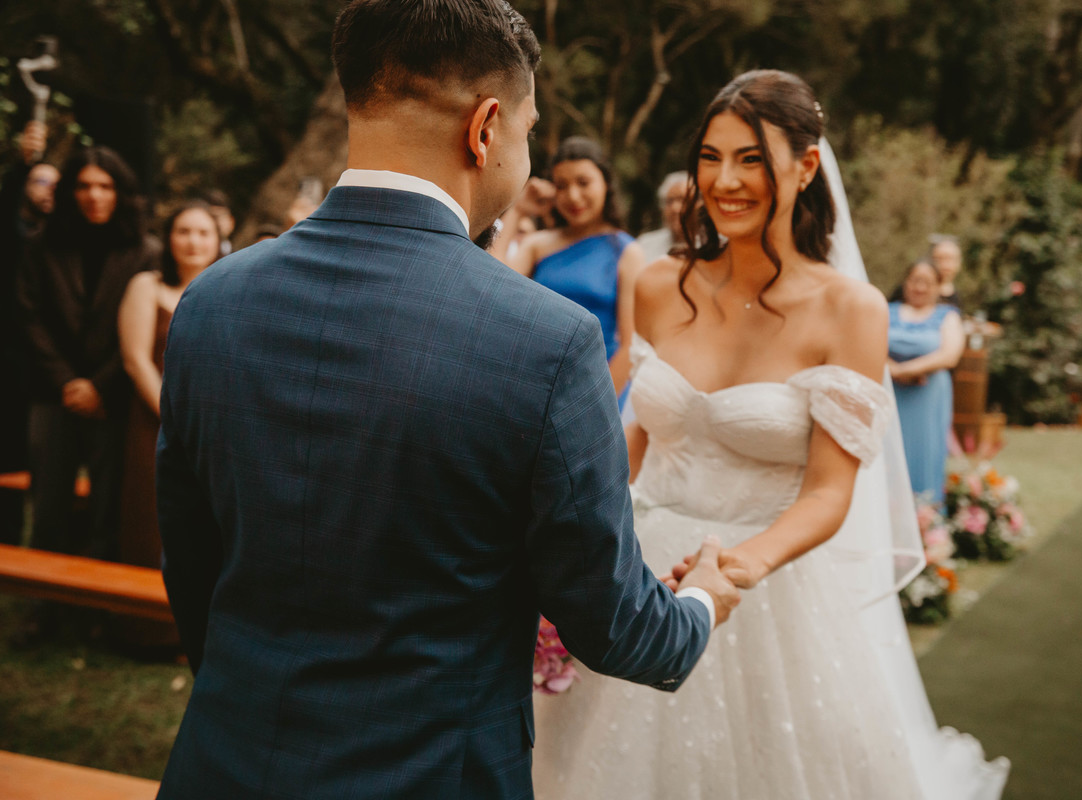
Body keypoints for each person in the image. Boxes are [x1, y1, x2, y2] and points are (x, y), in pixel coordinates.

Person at [153, 2, 739, 798]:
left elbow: (191, 569)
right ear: (486, 127)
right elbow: (614, 624)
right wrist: (702, 599)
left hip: (225, 763)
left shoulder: (212, 303)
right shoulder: (547, 340)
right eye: (529, 131)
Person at [533, 70, 1007, 800]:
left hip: (768, 581)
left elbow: (828, 492)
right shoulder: (659, 284)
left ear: (806, 166)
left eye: (750, 159)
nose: (724, 181)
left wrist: (737, 568)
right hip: (643, 573)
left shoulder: (850, 310)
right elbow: (637, 436)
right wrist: (572, 542)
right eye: (711, 157)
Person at [17, 145, 158, 561]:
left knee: (109, 508)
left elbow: (140, 333)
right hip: (53, 392)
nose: (94, 195)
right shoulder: (42, 245)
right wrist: (67, 382)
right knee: (48, 504)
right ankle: (42, 594)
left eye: (105, 186)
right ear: (69, 192)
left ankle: (99, 596)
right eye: (84, 186)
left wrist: (99, 386)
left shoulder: (145, 251)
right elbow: (28, 316)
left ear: (121, 193)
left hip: (114, 395)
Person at [113, 200, 221, 649]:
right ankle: (147, 632)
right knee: (152, 519)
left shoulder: (229, 288)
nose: (193, 241)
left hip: (214, 429)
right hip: (155, 422)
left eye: (203, 232)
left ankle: (200, 631)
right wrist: (176, 417)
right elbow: (136, 361)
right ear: (169, 238)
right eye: (183, 231)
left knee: (206, 525)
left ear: (218, 240)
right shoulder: (147, 286)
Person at [506, 137, 643, 410]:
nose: (573, 196)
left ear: (606, 183)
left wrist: (595, 406)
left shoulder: (627, 252)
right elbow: (494, 286)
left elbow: (630, 345)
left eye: (583, 182)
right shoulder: (537, 245)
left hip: (597, 390)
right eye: (561, 186)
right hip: (533, 383)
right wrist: (518, 210)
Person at [0, 121, 58, 544]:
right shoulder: (12, 231)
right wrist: (24, 164)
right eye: (39, 181)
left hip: (42, 370)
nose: (47, 190)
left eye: (55, 183)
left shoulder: (63, 242)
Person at [888, 259, 965, 504]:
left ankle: (925, 513)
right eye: (915, 280)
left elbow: (950, 355)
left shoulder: (948, 315)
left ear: (938, 286)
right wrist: (894, 371)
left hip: (928, 394)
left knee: (926, 450)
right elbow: (867, 344)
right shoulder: (886, 310)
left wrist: (906, 370)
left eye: (927, 282)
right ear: (906, 282)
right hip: (889, 392)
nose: (920, 287)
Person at [635, 170, 688, 261]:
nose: (675, 208)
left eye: (682, 200)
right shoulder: (645, 244)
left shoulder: (712, 246)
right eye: (669, 201)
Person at [929, 235, 963, 307]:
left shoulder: (961, 296)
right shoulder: (917, 291)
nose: (945, 265)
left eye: (950, 259)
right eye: (940, 259)